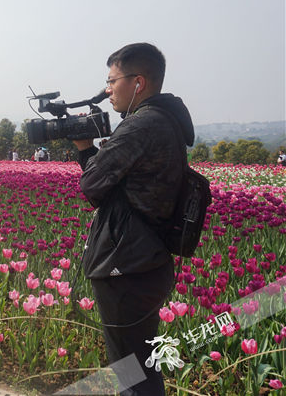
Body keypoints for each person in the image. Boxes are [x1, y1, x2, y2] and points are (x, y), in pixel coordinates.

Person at [72, 43, 191, 396]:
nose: (107, 90)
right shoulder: (167, 119)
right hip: (147, 259)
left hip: (127, 266)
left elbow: (92, 185)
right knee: (141, 365)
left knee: (132, 374)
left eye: (112, 81)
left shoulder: (141, 125)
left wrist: (84, 147)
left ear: (138, 81)